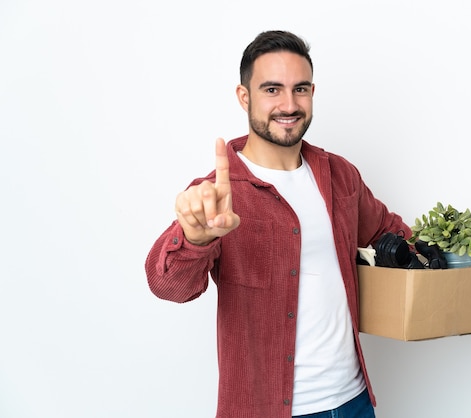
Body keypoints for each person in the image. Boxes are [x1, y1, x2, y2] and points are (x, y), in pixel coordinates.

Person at [145, 30, 412, 418]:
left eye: (299, 89)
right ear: (244, 96)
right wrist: (194, 239)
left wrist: (448, 247)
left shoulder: (340, 175)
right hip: (268, 408)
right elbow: (168, 285)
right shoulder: (216, 195)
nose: (289, 104)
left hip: (354, 401)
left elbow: (389, 233)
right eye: (272, 89)